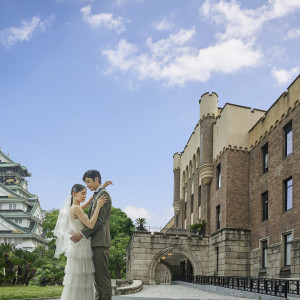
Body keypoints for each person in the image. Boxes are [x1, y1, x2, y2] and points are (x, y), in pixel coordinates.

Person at [54, 180, 111, 300]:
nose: (85, 196)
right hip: (82, 247)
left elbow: (89, 202)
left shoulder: (74, 207)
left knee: (78, 279)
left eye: (85, 193)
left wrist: (101, 188)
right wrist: (99, 207)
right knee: (82, 280)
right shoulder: (77, 209)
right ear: (74, 194)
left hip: (77, 247)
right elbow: (90, 224)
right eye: (82, 193)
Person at [70, 170, 112, 300]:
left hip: (100, 241)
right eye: (85, 183)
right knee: (97, 279)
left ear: (96, 179)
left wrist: (82, 234)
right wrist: (102, 186)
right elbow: (91, 201)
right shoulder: (98, 193)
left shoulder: (103, 194)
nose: (87, 185)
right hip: (95, 242)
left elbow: (99, 220)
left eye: (89, 182)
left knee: (102, 278)